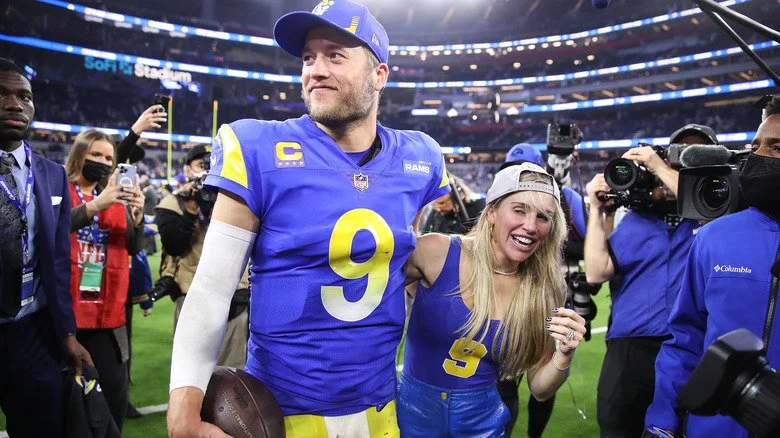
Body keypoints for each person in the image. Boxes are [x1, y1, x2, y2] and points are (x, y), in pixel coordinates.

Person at [166, 1, 450, 436]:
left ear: (380, 74)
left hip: (382, 409)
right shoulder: (261, 148)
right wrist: (184, 406)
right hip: (283, 411)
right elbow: (209, 289)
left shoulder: (419, 157)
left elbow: (406, 262)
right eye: (308, 57)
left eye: (335, 55)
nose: (316, 69)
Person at [399, 163, 586, 435]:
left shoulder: (545, 288)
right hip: (411, 415)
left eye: (543, 217)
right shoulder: (438, 252)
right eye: (519, 210)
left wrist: (564, 354)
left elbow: (540, 388)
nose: (531, 226)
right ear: (492, 212)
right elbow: (365, 285)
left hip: (482, 423)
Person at [644, 98, 780, 437]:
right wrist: (661, 421)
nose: (759, 157)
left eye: (777, 148)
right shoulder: (714, 237)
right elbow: (685, 339)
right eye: (755, 146)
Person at [585, 129, 707, 437]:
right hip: (628, 347)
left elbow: (702, 203)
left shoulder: (708, 215)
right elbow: (596, 271)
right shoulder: (637, 220)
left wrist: (660, 167)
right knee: (616, 427)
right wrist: (596, 210)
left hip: (684, 346)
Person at [0, 57, 92, 436]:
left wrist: (67, 334)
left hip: (33, 331)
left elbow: (57, 262)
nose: (14, 104)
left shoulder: (52, 174)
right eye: (2, 94)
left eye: (24, 96)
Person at [495, 143, 595, 438]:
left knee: (543, 370)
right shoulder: (498, 205)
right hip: (508, 297)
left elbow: (589, 245)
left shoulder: (566, 199)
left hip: (547, 292)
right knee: (503, 381)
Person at [65, 129, 146, 432]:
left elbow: (135, 247)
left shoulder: (114, 198)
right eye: (95, 154)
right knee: (69, 407)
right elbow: (54, 227)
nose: (102, 161)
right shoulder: (59, 187)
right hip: (67, 318)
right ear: (79, 154)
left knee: (114, 399)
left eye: (108, 158)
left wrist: (136, 215)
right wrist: (97, 206)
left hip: (109, 317)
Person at [155, 144, 250, 369]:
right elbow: (175, 246)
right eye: (201, 165)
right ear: (188, 170)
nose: (207, 170)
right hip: (192, 297)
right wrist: (190, 209)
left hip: (235, 298)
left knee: (232, 378)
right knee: (189, 375)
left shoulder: (238, 199)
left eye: (213, 164)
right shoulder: (172, 203)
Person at [419, 173, 485, 234]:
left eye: (442, 203)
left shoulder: (478, 206)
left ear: (459, 194)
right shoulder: (435, 212)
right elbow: (424, 234)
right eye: (434, 204)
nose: (438, 208)